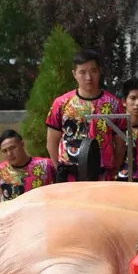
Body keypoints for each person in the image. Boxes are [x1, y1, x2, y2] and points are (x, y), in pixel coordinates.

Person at [45, 49, 126, 182]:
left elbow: (121, 144)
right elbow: (51, 142)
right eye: (82, 72)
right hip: (70, 172)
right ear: (74, 74)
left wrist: (113, 170)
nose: (88, 77)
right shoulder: (61, 103)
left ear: (100, 71)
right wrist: (59, 167)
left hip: (102, 174)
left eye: (93, 71)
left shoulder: (114, 104)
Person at [0, 130, 55, 202]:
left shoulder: (46, 165)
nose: (9, 154)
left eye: (12, 148)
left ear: (22, 144)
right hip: (12, 212)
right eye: (5, 151)